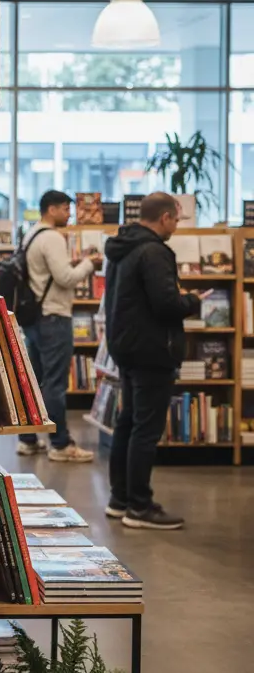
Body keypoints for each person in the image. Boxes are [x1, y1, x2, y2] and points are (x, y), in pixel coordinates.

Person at [103, 192, 205, 529]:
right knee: (146, 429)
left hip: (127, 347)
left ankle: (120, 499)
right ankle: (140, 507)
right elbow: (165, 304)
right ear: (164, 217)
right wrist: (191, 300)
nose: (176, 226)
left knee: (129, 422)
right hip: (152, 350)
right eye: (176, 219)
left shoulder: (121, 248)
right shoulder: (155, 252)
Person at [16, 190, 103, 462]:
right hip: (54, 316)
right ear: (51, 209)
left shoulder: (32, 234)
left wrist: (73, 263)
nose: (70, 214)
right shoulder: (52, 237)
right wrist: (90, 264)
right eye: (66, 209)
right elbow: (65, 279)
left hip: (34, 317)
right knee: (54, 383)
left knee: (34, 380)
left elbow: (44, 272)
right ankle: (61, 444)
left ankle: (28, 439)